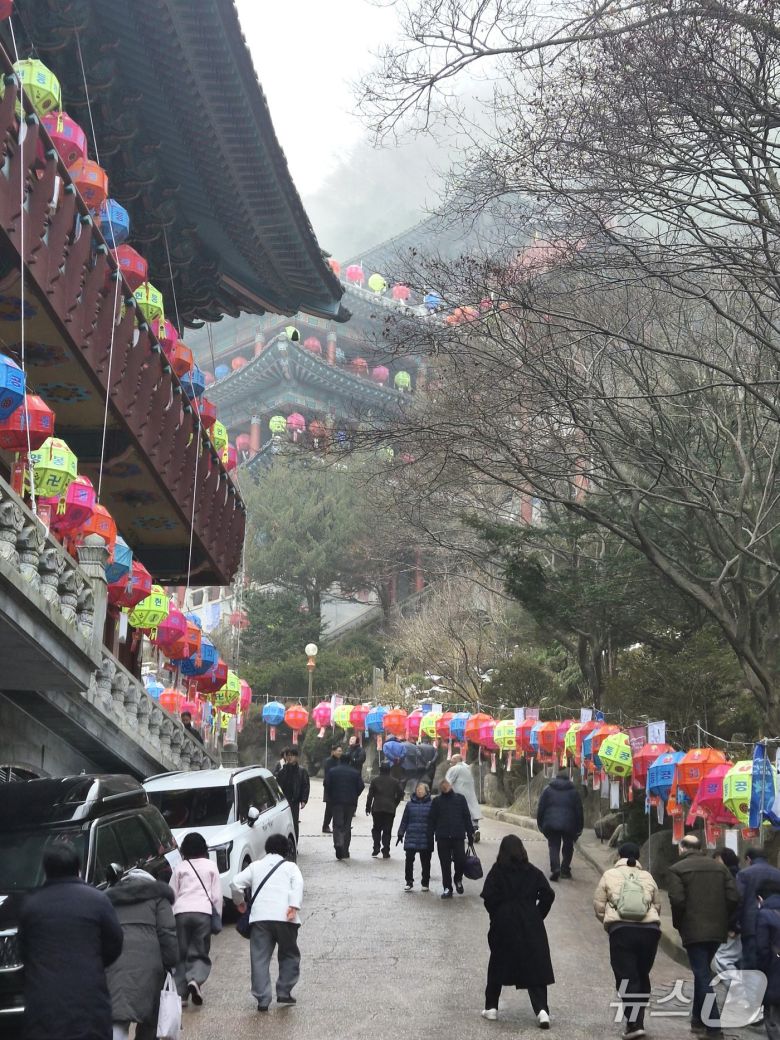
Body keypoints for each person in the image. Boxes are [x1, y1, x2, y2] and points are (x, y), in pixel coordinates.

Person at [18, 841, 124, 1040]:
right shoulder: (97, 900)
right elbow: (115, 943)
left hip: (43, 1005)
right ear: (78, 867)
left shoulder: (31, 906)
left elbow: (24, 952)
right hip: (89, 1000)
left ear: (45, 869)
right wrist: (94, 961)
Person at [667, 833, 739, 1038]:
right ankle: (697, 1021)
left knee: (702, 975)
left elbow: (677, 901)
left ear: (682, 848)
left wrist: (679, 924)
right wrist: (723, 918)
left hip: (693, 930)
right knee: (703, 972)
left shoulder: (676, 870)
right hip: (717, 930)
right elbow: (734, 896)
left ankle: (714, 1027)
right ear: (700, 847)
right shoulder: (720, 868)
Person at [480, 834, 555, 1028]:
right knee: (534, 964)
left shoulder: (497, 871)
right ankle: (542, 1010)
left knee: (498, 961)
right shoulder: (532, 872)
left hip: (504, 921)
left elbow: (488, 896)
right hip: (530, 920)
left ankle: (491, 1007)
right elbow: (548, 894)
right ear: (522, 850)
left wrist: (497, 913)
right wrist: (538, 914)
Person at [593, 841, 661, 1040]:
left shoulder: (609, 875)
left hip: (621, 931)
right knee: (641, 974)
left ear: (619, 855)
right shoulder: (647, 876)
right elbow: (657, 905)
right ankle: (637, 1021)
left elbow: (599, 906)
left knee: (625, 976)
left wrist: (610, 923)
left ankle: (633, 1024)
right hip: (650, 931)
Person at [231, 833, 304, 1012]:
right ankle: (284, 991)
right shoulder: (290, 867)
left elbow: (235, 883)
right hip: (285, 916)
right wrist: (294, 905)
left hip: (260, 918)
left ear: (267, 848)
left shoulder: (256, 866)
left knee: (259, 958)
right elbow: (298, 883)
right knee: (289, 954)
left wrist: (240, 902)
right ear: (286, 850)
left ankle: (263, 998)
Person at [106, 868, 178, 1040]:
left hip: (113, 965)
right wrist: (170, 962)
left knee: (117, 1018)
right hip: (150, 967)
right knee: (150, 1021)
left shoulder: (109, 897)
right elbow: (167, 932)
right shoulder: (159, 897)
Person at [171, 831, 222, 1006]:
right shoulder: (210, 866)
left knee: (181, 953)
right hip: (203, 913)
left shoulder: (180, 867)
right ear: (203, 848)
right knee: (199, 951)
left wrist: (171, 917)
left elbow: (172, 894)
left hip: (181, 913)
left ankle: (181, 996)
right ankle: (195, 979)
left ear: (184, 849)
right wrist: (218, 917)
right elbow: (216, 896)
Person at [428, 777, 474, 898]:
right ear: (440, 788)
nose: (445, 787)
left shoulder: (460, 799)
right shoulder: (437, 801)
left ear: (451, 785)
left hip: (458, 836)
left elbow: (466, 817)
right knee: (445, 864)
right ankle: (447, 888)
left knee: (460, 861)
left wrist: (470, 834)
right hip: (442, 837)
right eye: (443, 786)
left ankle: (458, 879)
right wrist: (429, 837)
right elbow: (431, 820)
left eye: (447, 785)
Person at [536, 768, 584, 881]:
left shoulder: (547, 790)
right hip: (569, 824)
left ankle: (555, 868)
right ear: (568, 779)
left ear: (556, 778)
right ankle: (565, 870)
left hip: (551, 823)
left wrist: (540, 823)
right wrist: (580, 827)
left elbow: (541, 808)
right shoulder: (574, 792)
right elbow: (579, 811)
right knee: (568, 847)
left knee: (553, 846)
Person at [737, 848, 780, 970]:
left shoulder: (744, 874)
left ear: (749, 859)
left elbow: (739, 900)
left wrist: (733, 924)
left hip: (750, 925)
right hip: (776, 923)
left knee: (751, 963)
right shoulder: (777, 872)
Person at [323, 754, 365, 859]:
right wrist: (355, 795)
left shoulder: (332, 771)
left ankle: (338, 843)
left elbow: (326, 784)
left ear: (340, 760)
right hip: (350, 803)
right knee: (347, 825)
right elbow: (361, 786)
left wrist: (331, 795)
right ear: (350, 761)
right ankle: (345, 850)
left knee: (337, 825)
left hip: (336, 801)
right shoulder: (355, 773)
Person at [397, 782, 434, 891]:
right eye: (418, 789)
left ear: (426, 791)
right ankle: (409, 881)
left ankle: (425, 882)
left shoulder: (432, 805)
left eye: (421, 789)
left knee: (426, 861)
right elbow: (404, 820)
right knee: (409, 860)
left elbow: (435, 821)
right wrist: (400, 833)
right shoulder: (409, 804)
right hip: (411, 835)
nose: (419, 791)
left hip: (425, 837)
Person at [755, 879, 780, 1040]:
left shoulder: (764, 914)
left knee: (772, 1017)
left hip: (773, 970)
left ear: (760, 897)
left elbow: (761, 948)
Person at [712, 847, 742, 974]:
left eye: (718, 861)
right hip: (731, 926)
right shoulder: (734, 875)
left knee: (721, 960)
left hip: (732, 928)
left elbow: (737, 903)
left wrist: (733, 927)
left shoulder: (732, 877)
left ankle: (739, 990)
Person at [366, 762, 405, 858]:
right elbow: (401, 793)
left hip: (377, 808)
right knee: (387, 830)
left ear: (380, 770)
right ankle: (386, 850)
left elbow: (370, 796)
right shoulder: (395, 781)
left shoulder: (375, 780)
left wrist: (368, 807)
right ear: (389, 770)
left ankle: (376, 846)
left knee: (376, 828)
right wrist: (395, 802)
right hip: (390, 808)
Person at [275, 746, 311, 844]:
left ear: (296, 757)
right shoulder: (282, 771)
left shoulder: (302, 771)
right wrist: (284, 768)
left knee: (294, 823)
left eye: (292, 755)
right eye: (288, 755)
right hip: (283, 801)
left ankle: (294, 844)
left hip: (295, 801)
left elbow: (305, 786)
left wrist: (304, 800)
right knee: (283, 823)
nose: (290, 757)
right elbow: (278, 785)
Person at [446, 753, 483, 841]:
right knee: (472, 811)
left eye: (452, 759)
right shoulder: (467, 767)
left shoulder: (455, 768)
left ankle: (462, 833)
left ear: (456, 760)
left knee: (461, 813)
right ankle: (474, 829)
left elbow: (448, 782)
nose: (451, 761)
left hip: (459, 794)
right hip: (470, 794)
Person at [321, 743, 343, 833]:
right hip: (330, 788)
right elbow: (328, 776)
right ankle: (325, 826)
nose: (340, 753)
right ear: (333, 751)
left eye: (341, 751)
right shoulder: (328, 761)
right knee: (329, 809)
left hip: (339, 788)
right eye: (338, 751)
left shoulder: (340, 761)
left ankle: (338, 826)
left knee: (338, 809)